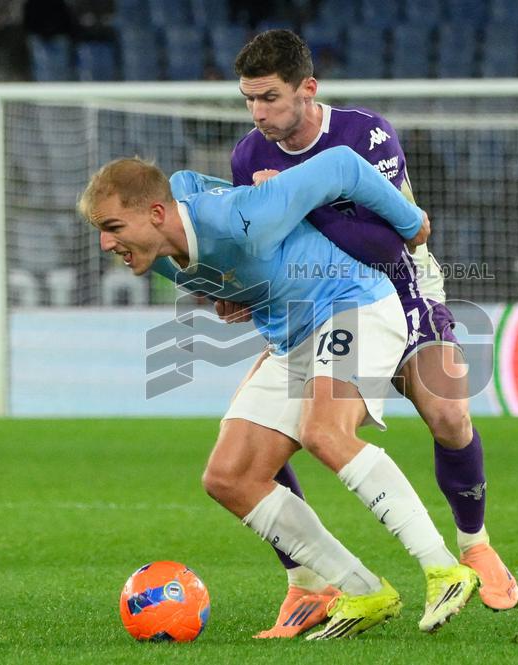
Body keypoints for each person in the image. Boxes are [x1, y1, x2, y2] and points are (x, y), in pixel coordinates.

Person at [78, 146, 479, 639]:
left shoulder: (241, 217)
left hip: (355, 306)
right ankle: (361, 589)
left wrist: (409, 219)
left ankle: (443, 568)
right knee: (229, 477)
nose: (104, 243)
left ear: (155, 215)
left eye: (113, 227)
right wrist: (224, 288)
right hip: (292, 339)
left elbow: (343, 167)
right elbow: (181, 181)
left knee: (324, 433)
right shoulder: (160, 243)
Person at [223, 29, 518, 637]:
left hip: (404, 293)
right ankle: (305, 580)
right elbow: (259, 246)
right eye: (249, 99)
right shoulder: (248, 156)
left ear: (309, 90)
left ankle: (474, 544)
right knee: (264, 429)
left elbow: (386, 241)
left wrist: (292, 201)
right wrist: (238, 287)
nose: (258, 114)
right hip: (316, 306)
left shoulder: (365, 135)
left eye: (270, 98)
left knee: (449, 415)